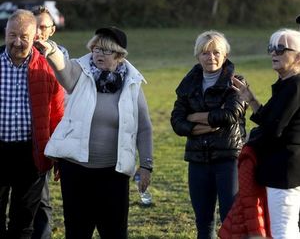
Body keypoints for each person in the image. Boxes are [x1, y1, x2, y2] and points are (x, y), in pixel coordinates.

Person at [35, 26, 153, 239]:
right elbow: (62, 67)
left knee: (115, 232)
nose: (98, 54)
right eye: (96, 48)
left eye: (106, 51)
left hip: (113, 173)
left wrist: (146, 164)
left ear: (119, 56)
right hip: (76, 171)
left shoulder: (132, 82)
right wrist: (51, 50)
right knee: (77, 231)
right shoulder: (80, 71)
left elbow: (144, 127)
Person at [170, 30, 247, 239]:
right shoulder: (188, 84)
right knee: (203, 222)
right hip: (198, 160)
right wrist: (206, 122)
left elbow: (230, 115)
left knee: (231, 219)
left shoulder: (237, 83)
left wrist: (193, 117)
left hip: (228, 160)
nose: (211, 57)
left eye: (216, 52)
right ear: (197, 55)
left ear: (225, 55)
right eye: (205, 52)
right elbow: (177, 122)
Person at [0, 9, 64, 239]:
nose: (17, 42)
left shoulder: (46, 67)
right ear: (5, 33)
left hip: (31, 153)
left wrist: (57, 153)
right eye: (12, 35)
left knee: (23, 222)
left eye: (24, 37)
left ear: (35, 36)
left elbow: (57, 113)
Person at [232, 28, 300, 239]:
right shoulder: (285, 84)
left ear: (298, 56)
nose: (273, 53)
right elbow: (270, 118)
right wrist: (250, 98)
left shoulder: (295, 86)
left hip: (285, 170)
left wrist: (252, 140)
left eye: (281, 49)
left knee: (283, 230)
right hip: (283, 168)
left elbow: (274, 128)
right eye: (271, 48)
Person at [31, 5, 69, 239]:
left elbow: (63, 100)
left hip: (48, 130)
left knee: (41, 197)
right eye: (34, 27)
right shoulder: (19, 52)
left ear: (52, 30)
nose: (37, 32)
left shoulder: (60, 56)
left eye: (43, 27)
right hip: (22, 128)